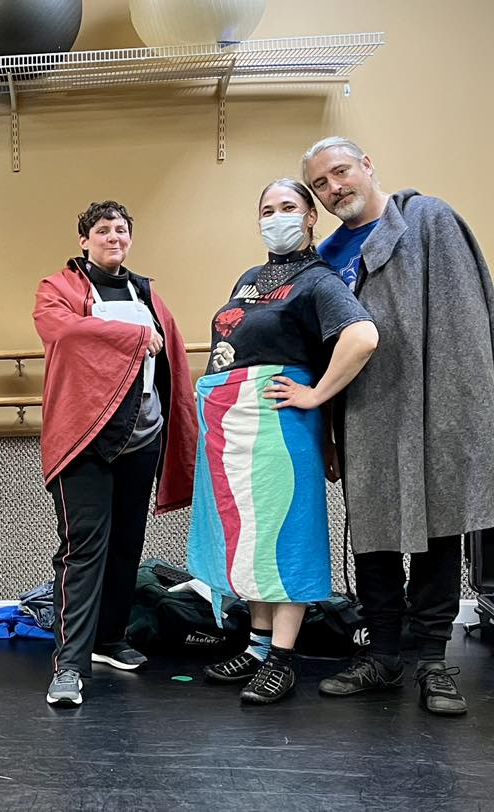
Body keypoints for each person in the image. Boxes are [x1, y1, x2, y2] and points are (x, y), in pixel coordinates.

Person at [302, 137, 494, 716]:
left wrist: (462, 416)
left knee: (438, 529)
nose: (335, 189)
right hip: (364, 413)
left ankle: (432, 661)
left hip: (434, 406)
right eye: (322, 184)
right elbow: (322, 350)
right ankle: (381, 657)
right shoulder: (325, 257)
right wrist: (327, 429)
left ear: (367, 165)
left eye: (341, 172)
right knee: (372, 536)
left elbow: (463, 321)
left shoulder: (427, 220)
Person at [187, 179, 378, 705]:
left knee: (287, 536)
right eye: (267, 209)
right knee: (249, 536)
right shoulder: (250, 279)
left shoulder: (319, 281)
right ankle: (256, 645)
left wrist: (316, 395)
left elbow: (362, 336)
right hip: (233, 424)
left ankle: (283, 659)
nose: (276, 217)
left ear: (311, 217)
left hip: (279, 423)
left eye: (288, 207)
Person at [32, 200, 198, 707]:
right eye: (102, 231)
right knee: (84, 552)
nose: (113, 237)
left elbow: (172, 358)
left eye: (121, 230)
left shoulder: (146, 293)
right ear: (84, 240)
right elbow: (60, 331)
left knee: (127, 546)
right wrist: (133, 335)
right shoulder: (58, 289)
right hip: (85, 441)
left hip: (141, 438)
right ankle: (69, 666)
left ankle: (110, 639)